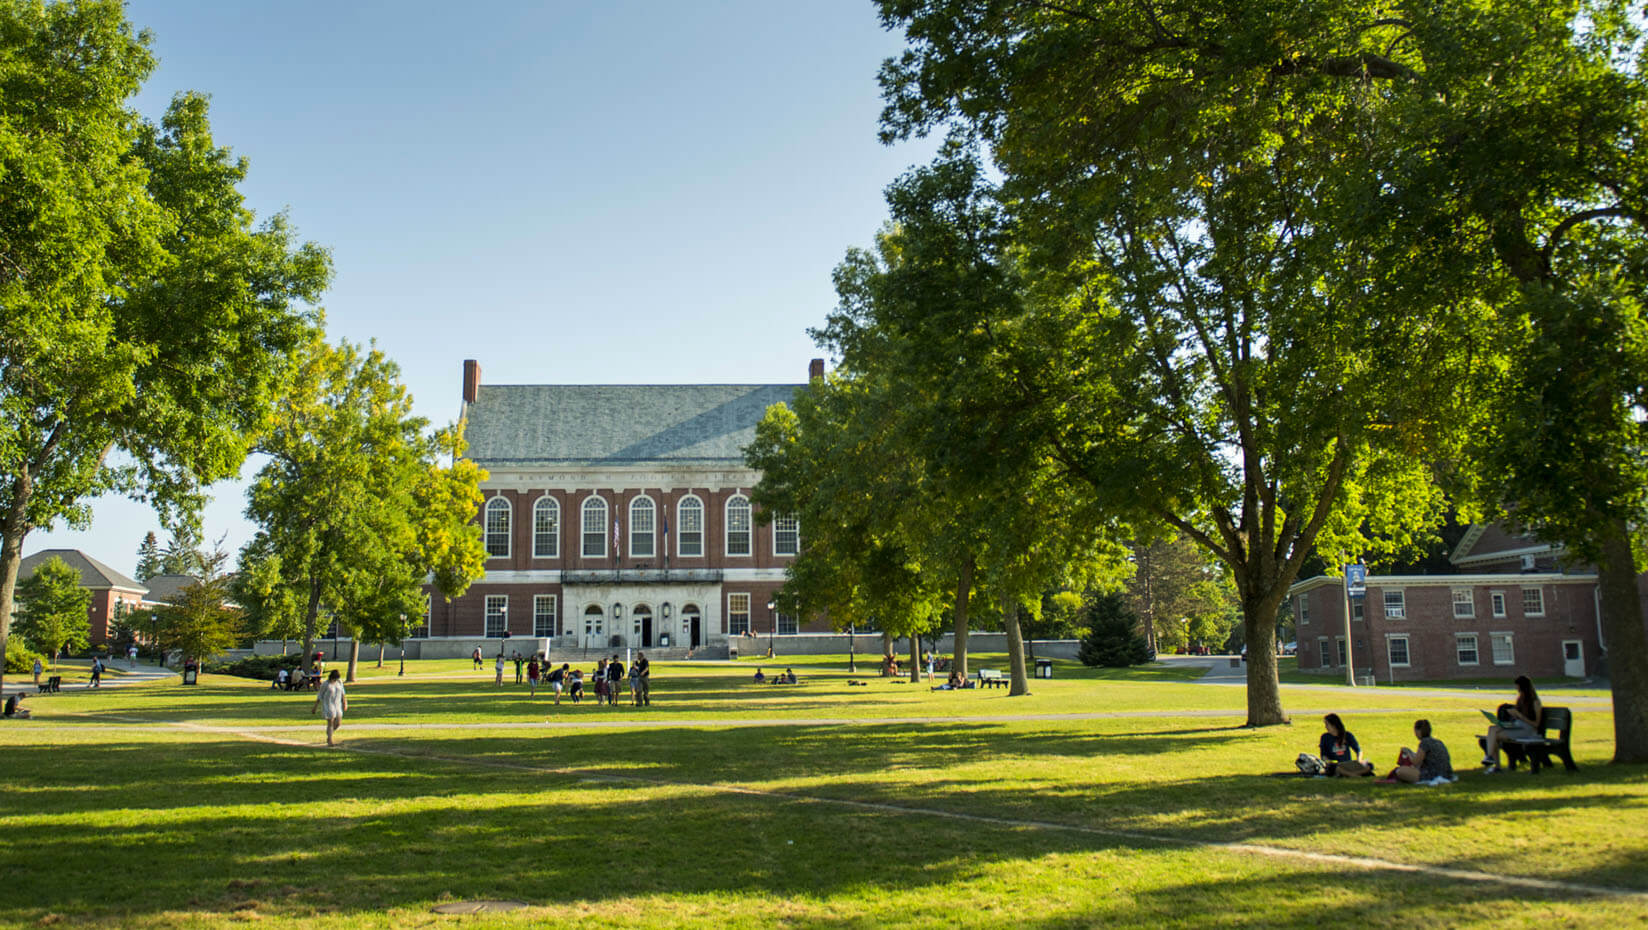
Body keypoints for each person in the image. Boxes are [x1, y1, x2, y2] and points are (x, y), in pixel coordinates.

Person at [1482, 675, 1543, 773]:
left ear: (1523, 687)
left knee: (1494, 736)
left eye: (1517, 687)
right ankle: (1490, 758)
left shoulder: (1535, 702)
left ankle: (1494, 762)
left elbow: (1536, 724)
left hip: (1528, 730)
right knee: (1492, 729)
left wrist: (1519, 716)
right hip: (1517, 726)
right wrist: (1513, 715)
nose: (1516, 689)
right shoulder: (1520, 699)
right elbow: (1518, 717)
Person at [1394, 719, 1454, 784]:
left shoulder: (1425, 743)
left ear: (1419, 731)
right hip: (1446, 774)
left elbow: (1415, 762)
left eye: (1415, 731)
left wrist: (1408, 752)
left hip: (1432, 775)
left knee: (1400, 771)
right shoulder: (1438, 742)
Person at [311, 669, 348, 747]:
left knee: (338, 723)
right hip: (328, 704)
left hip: (337, 704)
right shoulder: (325, 684)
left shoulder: (339, 682)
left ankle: (329, 734)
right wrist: (315, 707)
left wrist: (345, 703)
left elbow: (343, 693)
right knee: (330, 722)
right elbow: (320, 695)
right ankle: (330, 740)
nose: (335, 680)